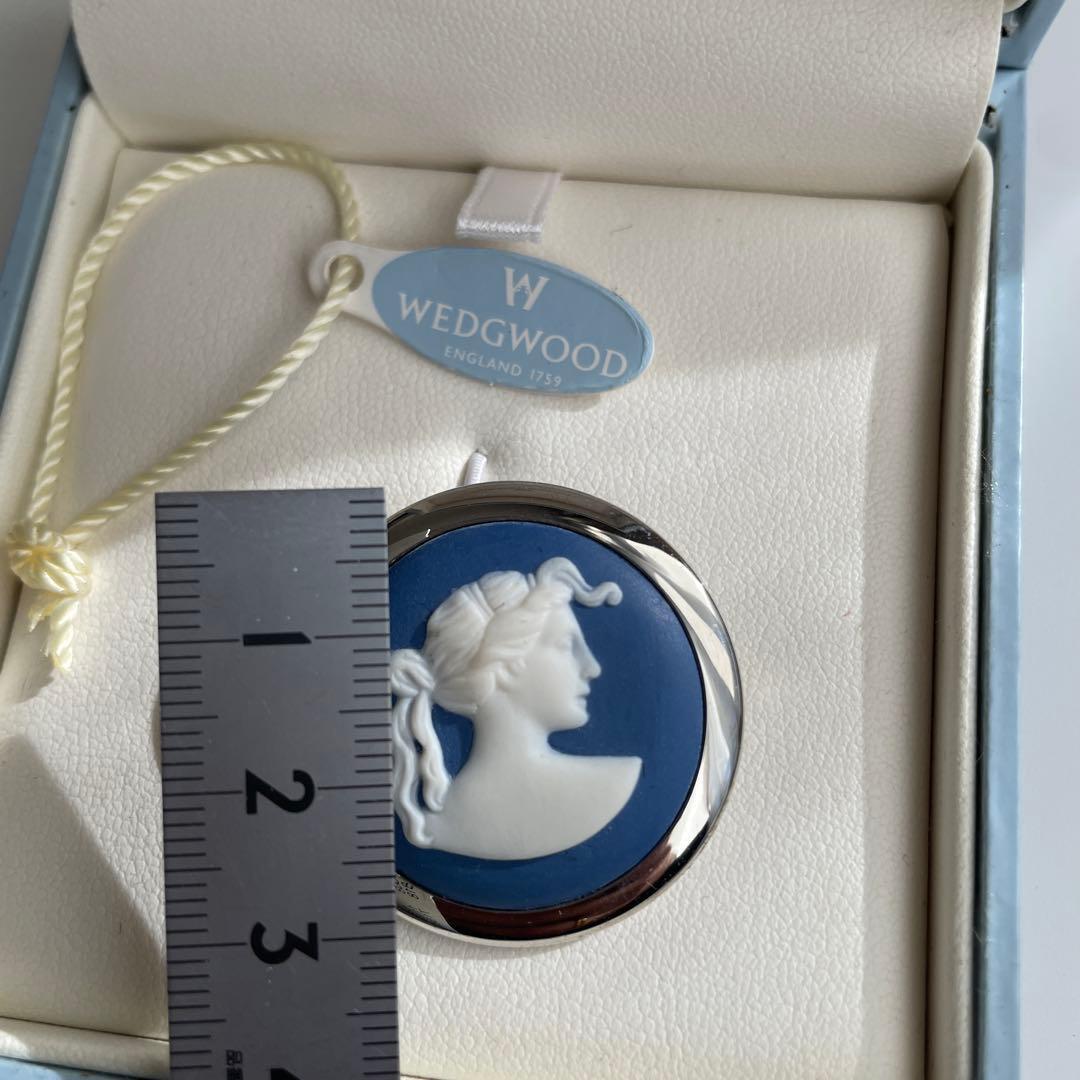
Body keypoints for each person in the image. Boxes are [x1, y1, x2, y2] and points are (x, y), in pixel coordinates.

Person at [390, 557, 642, 859]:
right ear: (503, 663)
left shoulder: (437, 823)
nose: (592, 666)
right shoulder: (608, 785)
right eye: (566, 644)